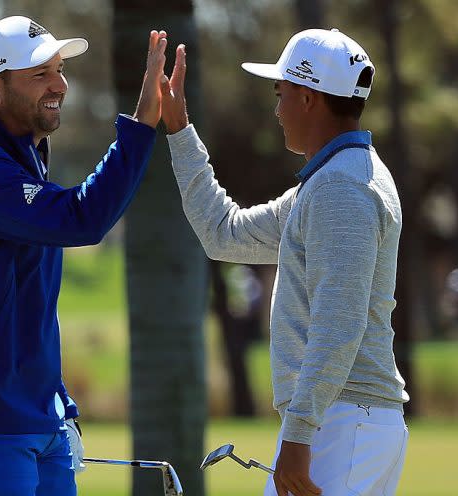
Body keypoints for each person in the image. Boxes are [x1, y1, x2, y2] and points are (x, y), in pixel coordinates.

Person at [0, 16, 169, 496]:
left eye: (59, 69)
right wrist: (141, 125)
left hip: (39, 414)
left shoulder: (23, 159)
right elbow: (82, 219)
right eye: (40, 74)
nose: (61, 84)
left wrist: (57, 399)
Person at [161, 29, 409, 496]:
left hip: (342, 420)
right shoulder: (331, 182)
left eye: (281, 94)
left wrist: (299, 432)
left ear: (309, 98)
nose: (277, 110)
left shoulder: (342, 190)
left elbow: (339, 321)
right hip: (343, 420)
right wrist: (180, 131)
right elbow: (224, 233)